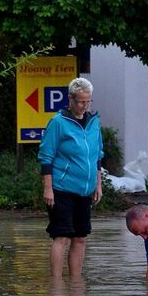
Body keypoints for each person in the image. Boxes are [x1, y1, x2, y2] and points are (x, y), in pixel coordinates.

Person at [38, 77, 103, 277]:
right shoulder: (58, 122)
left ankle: (76, 282)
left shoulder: (94, 123)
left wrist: (98, 184)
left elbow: (97, 155)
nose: (84, 106)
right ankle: (56, 283)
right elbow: (46, 156)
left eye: (88, 102)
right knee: (62, 237)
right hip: (61, 189)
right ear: (71, 99)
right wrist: (48, 188)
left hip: (85, 189)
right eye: (81, 102)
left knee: (80, 237)